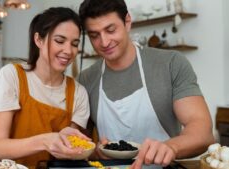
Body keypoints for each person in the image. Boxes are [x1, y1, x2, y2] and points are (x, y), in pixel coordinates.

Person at [78, 0, 215, 168]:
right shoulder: (86, 79)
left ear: (127, 21)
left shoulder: (171, 64)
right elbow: (81, 145)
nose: (104, 42)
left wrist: (171, 147)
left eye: (111, 30)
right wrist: (95, 152)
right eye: (94, 35)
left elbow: (202, 130)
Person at [0, 7, 90, 168]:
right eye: (60, 41)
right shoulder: (12, 76)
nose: (68, 51)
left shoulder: (78, 93)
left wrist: (67, 142)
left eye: (75, 44)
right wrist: (45, 141)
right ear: (39, 40)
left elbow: (67, 152)